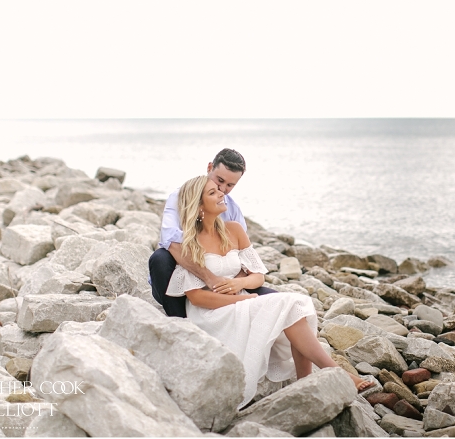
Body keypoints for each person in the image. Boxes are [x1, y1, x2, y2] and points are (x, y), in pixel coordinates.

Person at [166, 175, 374, 407]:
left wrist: (239, 285)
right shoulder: (189, 241)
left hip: (241, 298)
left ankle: (305, 380)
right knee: (289, 304)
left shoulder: (233, 230)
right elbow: (196, 297)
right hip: (212, 314)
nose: (221, 194)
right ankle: (332, 373)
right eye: (213, 193)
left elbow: (257, 276)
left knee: (297, 303)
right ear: (199, 204)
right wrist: (240, 301)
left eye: (220, 190)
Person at [148, 148, 276, 317]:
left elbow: (242, 258)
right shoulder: (181, 198)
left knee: (279, 301)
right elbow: (172, 243)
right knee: (160, 257)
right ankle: (180, 320)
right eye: (219, 180)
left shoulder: (232, 210)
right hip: (183, 286)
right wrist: (210, 279)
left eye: (230, 185)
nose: (222, 189)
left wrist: (233, 285)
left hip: (224, 283)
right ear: (209, 168)